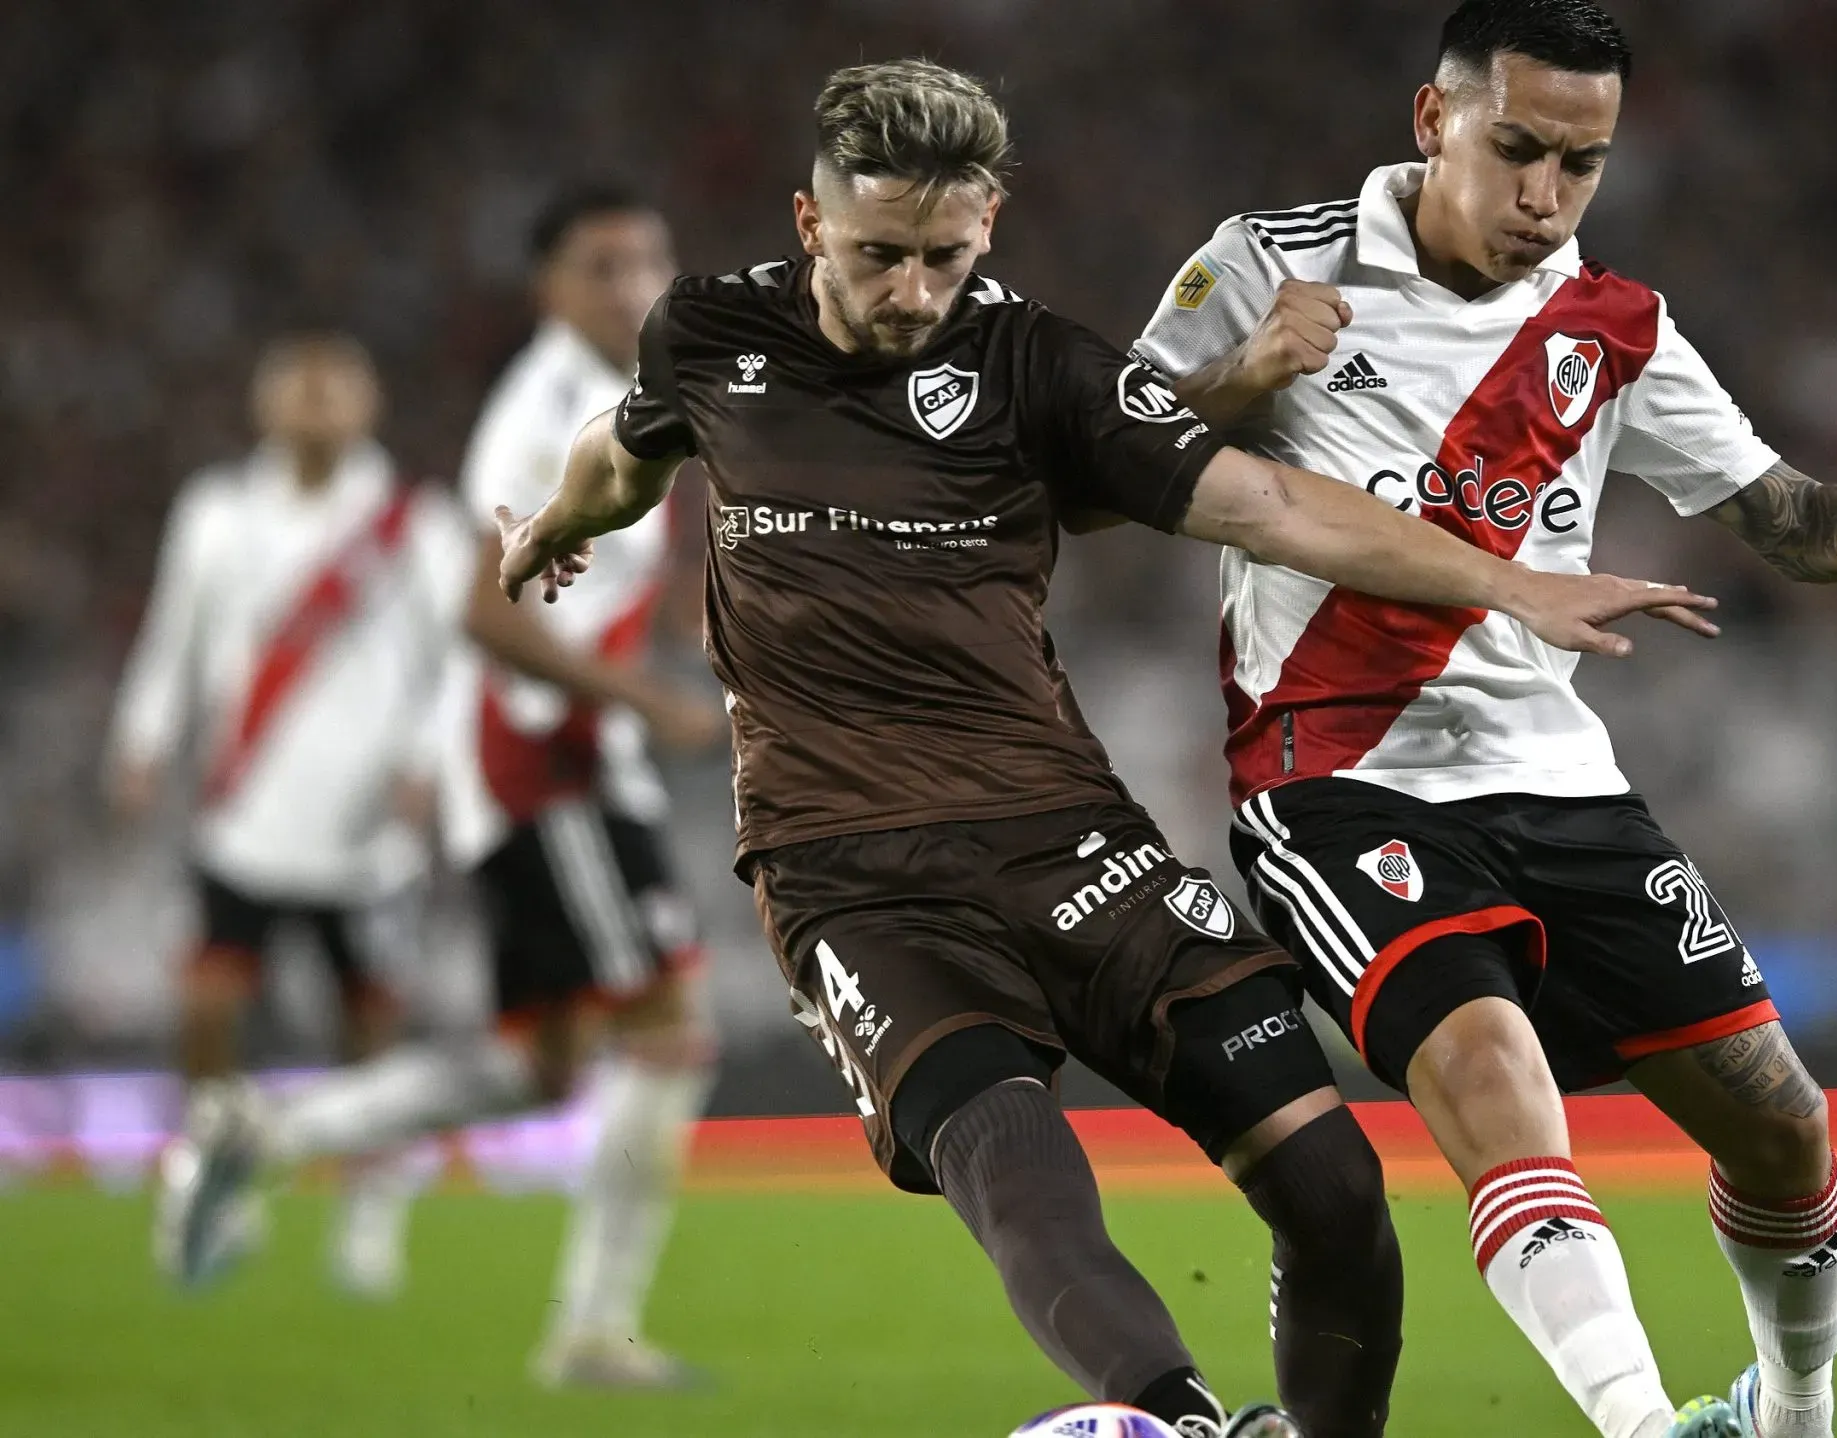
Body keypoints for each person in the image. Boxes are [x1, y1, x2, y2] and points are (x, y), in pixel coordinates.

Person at [485, 59, 1708, 1438]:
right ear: (811, 220)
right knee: (1017, 1162)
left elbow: (1272, 505)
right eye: (879, 254)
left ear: (990, 223)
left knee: (1336, 1192)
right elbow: (626, 447)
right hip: (854, 874)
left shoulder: (1040, 363)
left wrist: (1508, 581)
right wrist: (562, 521)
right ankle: (1177, 1420)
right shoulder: (709, 334)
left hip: (1073, 839)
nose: (910, 292)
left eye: (943, 256)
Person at [1132, 4, 1837, 1437]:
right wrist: (1239, 381)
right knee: (1498, 1080)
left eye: (1582, 165)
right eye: (1518, 150)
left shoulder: (1613, 327)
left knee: (1782, 1122)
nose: (1544, 198)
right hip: (1336, 777)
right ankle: (1647, 1429)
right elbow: (1098, 468)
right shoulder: (1269, 262)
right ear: (1431, 119)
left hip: (1563, 785)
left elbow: (1798, 522)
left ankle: (1795, 1411)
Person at [164, 190, 731, 1390]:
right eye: (600, 265)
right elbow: (486, 612)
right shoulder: (539, 416)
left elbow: (624, 559)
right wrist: (648, 703)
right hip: (540, 758)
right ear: (549, 289)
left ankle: (259, 1134)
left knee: (546, 1067)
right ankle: (589, 1332)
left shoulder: (644, 384)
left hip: (565, 755)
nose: (631, 282)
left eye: (647, 258)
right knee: (672, 1032)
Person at [110, 333, 470, 1298]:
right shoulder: (216, 513)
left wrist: (427, 763)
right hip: (244, 821)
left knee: (372, 1039)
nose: (315, 403)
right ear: (263, 404)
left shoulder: (415, 524)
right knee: (205, 1015)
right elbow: (171, 639)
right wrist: (141, 741)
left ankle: (369, 1216)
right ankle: (212, 1189)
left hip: (366, 835)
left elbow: (457, 662)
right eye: (297, 388)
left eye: (334, 388)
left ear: (369, 404)